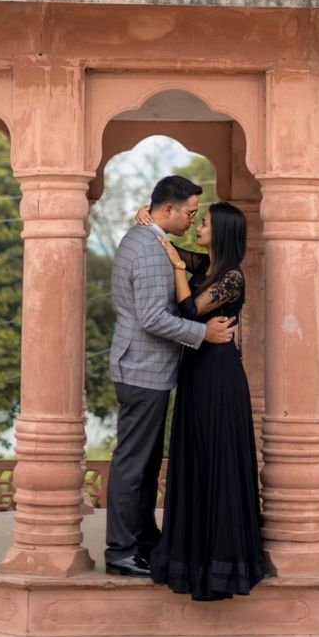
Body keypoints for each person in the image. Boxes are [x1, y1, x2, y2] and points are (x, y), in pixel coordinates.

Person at [105, 175, 238, 577]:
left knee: (144, 465)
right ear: (169, 210)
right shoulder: (147, 249)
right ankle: (121, 551)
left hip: (149, 369)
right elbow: (151, 317)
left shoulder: (149, 239)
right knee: (133, 465)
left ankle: (143, 542)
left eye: (200, 217)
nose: (193, 221)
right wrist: (203, 332)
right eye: (191, 213)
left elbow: (184, 263)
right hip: (142, 369)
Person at [135, 197, 266, 602]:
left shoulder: (231, 277)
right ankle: (189, 557)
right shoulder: (205, 266)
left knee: (217, 460)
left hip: (219, 376)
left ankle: (220, 563)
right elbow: (171, 248)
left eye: (204, 222)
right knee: (194, 459)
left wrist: (175, 267)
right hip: (195, 372)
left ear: (222, 231)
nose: (198, 226)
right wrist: (148, 221)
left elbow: (189, 308)